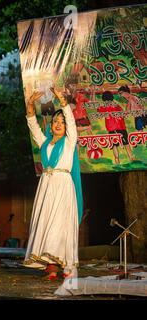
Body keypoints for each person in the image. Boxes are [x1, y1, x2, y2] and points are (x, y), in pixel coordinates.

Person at [23, 88, 83, 280]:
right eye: (55, 121)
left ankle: (62, 265)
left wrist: (62, 101)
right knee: (47, 222)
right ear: (50, 126)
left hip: (63, 186)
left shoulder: (69, 141)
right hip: (46, 187)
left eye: (62, 122)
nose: (58, 124)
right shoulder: (44, 143)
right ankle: (50, 266)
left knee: (59, 224)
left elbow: (72, 122)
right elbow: (33, 126)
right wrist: (30, 106)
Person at [97, 91, 135, 164]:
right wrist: (129, 102)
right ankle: (131, 157)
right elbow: (124, 114)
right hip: (121, 128)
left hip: (111, 129)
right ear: (112, 97)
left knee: (114, 145)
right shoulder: (117, 106)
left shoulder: (103, 107)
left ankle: (117, 160)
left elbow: (98, 111)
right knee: (126, 143)